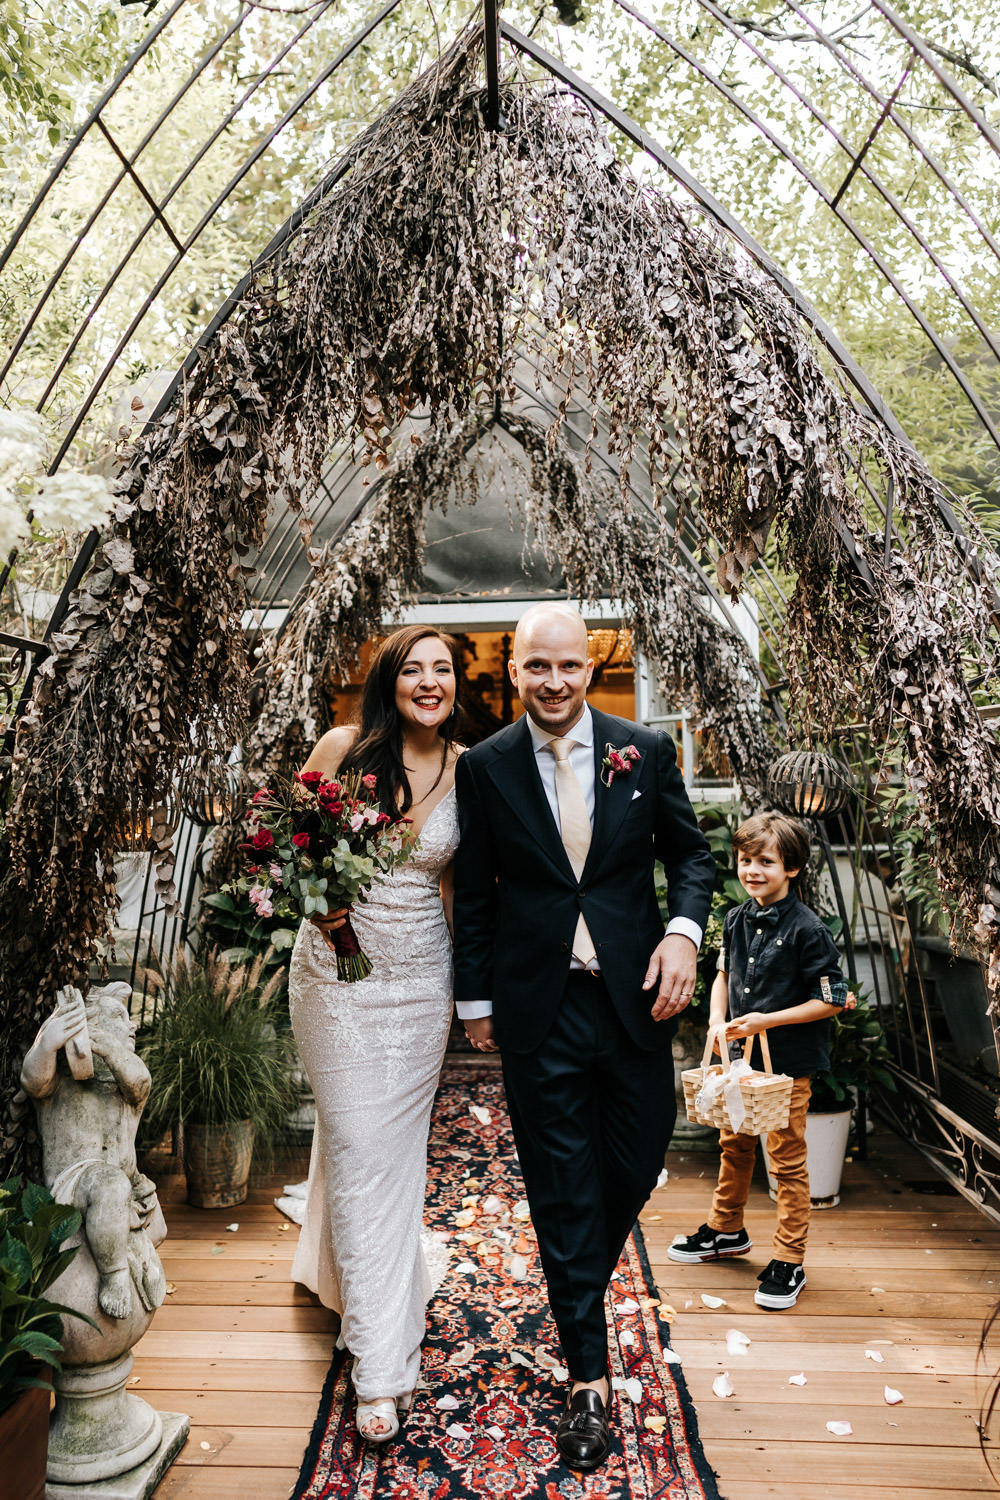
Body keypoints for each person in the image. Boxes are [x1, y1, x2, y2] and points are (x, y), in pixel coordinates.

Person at [452, 601, 716, 1472]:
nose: (553, 682)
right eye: (537, 668)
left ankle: (572, 1286)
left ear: (589, 668)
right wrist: (475, 1002)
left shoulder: (645, 749)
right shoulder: (485, 767)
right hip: (539, 1007)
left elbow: (692, 857)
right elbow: (481, 894)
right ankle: (586, 1380)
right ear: (514, 668)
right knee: (562, 1186)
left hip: (637, 1000)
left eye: (568, 667)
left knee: (635, 1164)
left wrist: (683, 932)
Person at [288, 625, 463, 1443]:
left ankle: (373, 1302)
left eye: (443, 670)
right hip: (336, 975)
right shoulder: (344, 748)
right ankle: (381, 1369)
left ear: (455, 684)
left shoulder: (471, 770)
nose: (430, 682)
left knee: (391, 1157)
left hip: (421, 982)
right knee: (358, 1143)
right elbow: (285, 843)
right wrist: (316, 902)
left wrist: (472, 1001)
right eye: (414, 669)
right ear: (389, 681)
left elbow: (460, 891)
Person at [667, 810, 848, 1309]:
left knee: (786, 1161)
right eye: (746, 860)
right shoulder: (737, 917)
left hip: (787, 1065)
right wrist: (715, 1019)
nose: (752, 870)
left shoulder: (809, 929)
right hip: (740, 1059)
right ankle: (726, 1230)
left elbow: (832, 998)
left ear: (790, 868)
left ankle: (789, 1259)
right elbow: (724, 972)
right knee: (734, 1142)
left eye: (765, 861)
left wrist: (765, 1020)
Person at [20, 982, 166, 1320]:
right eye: (118, 1016)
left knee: (124, 1193)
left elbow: (140, 1080)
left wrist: (112, 1051)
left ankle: (132, 1255)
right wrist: (49, 1043)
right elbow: (32, 1080)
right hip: (76, 1184)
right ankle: (114, 1275)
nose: (131, 1026)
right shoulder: (59, 1083)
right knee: (110, 1185)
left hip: (126, 1184)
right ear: (85, 1028)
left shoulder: (126, 1086)